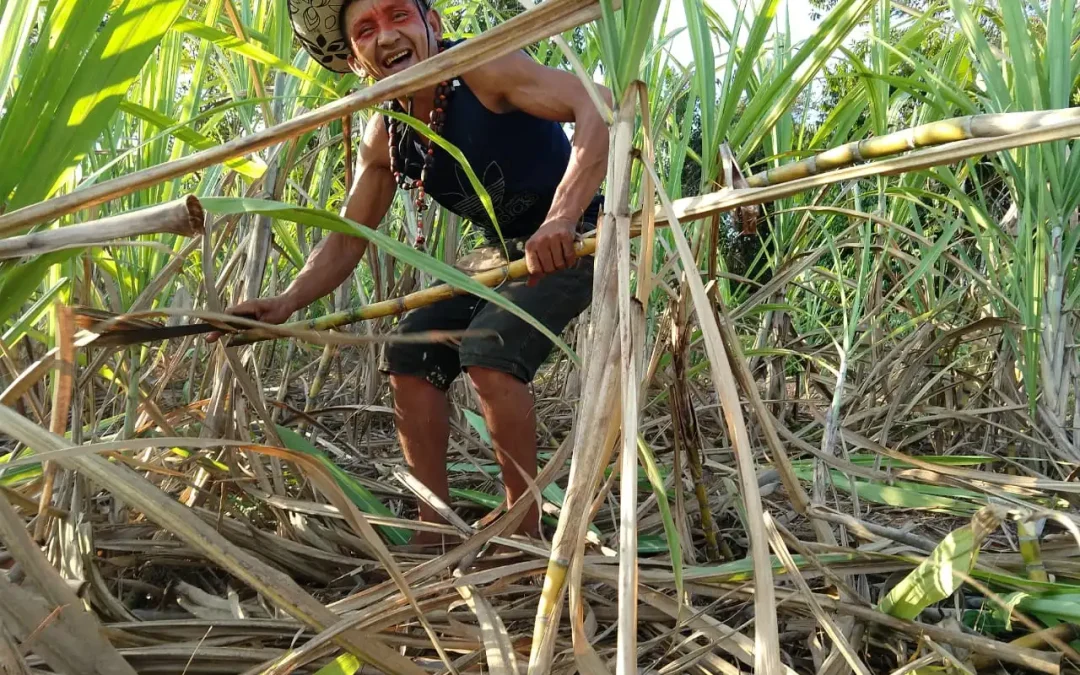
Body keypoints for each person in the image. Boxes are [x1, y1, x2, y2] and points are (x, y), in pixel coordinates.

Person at [210, 0, 610, 546]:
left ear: (434, 26)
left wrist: (563, 216)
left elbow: (597, 105)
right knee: (410, 350)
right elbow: (350, 236)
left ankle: (525, 526)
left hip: (582, 234)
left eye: (399, 15)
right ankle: (433, 525)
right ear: (356, 61)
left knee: (488, 357)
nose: (387, 36)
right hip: (501, 251)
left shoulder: (481, 68)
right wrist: (285, 302)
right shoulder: (388, 137)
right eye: (366, 30)